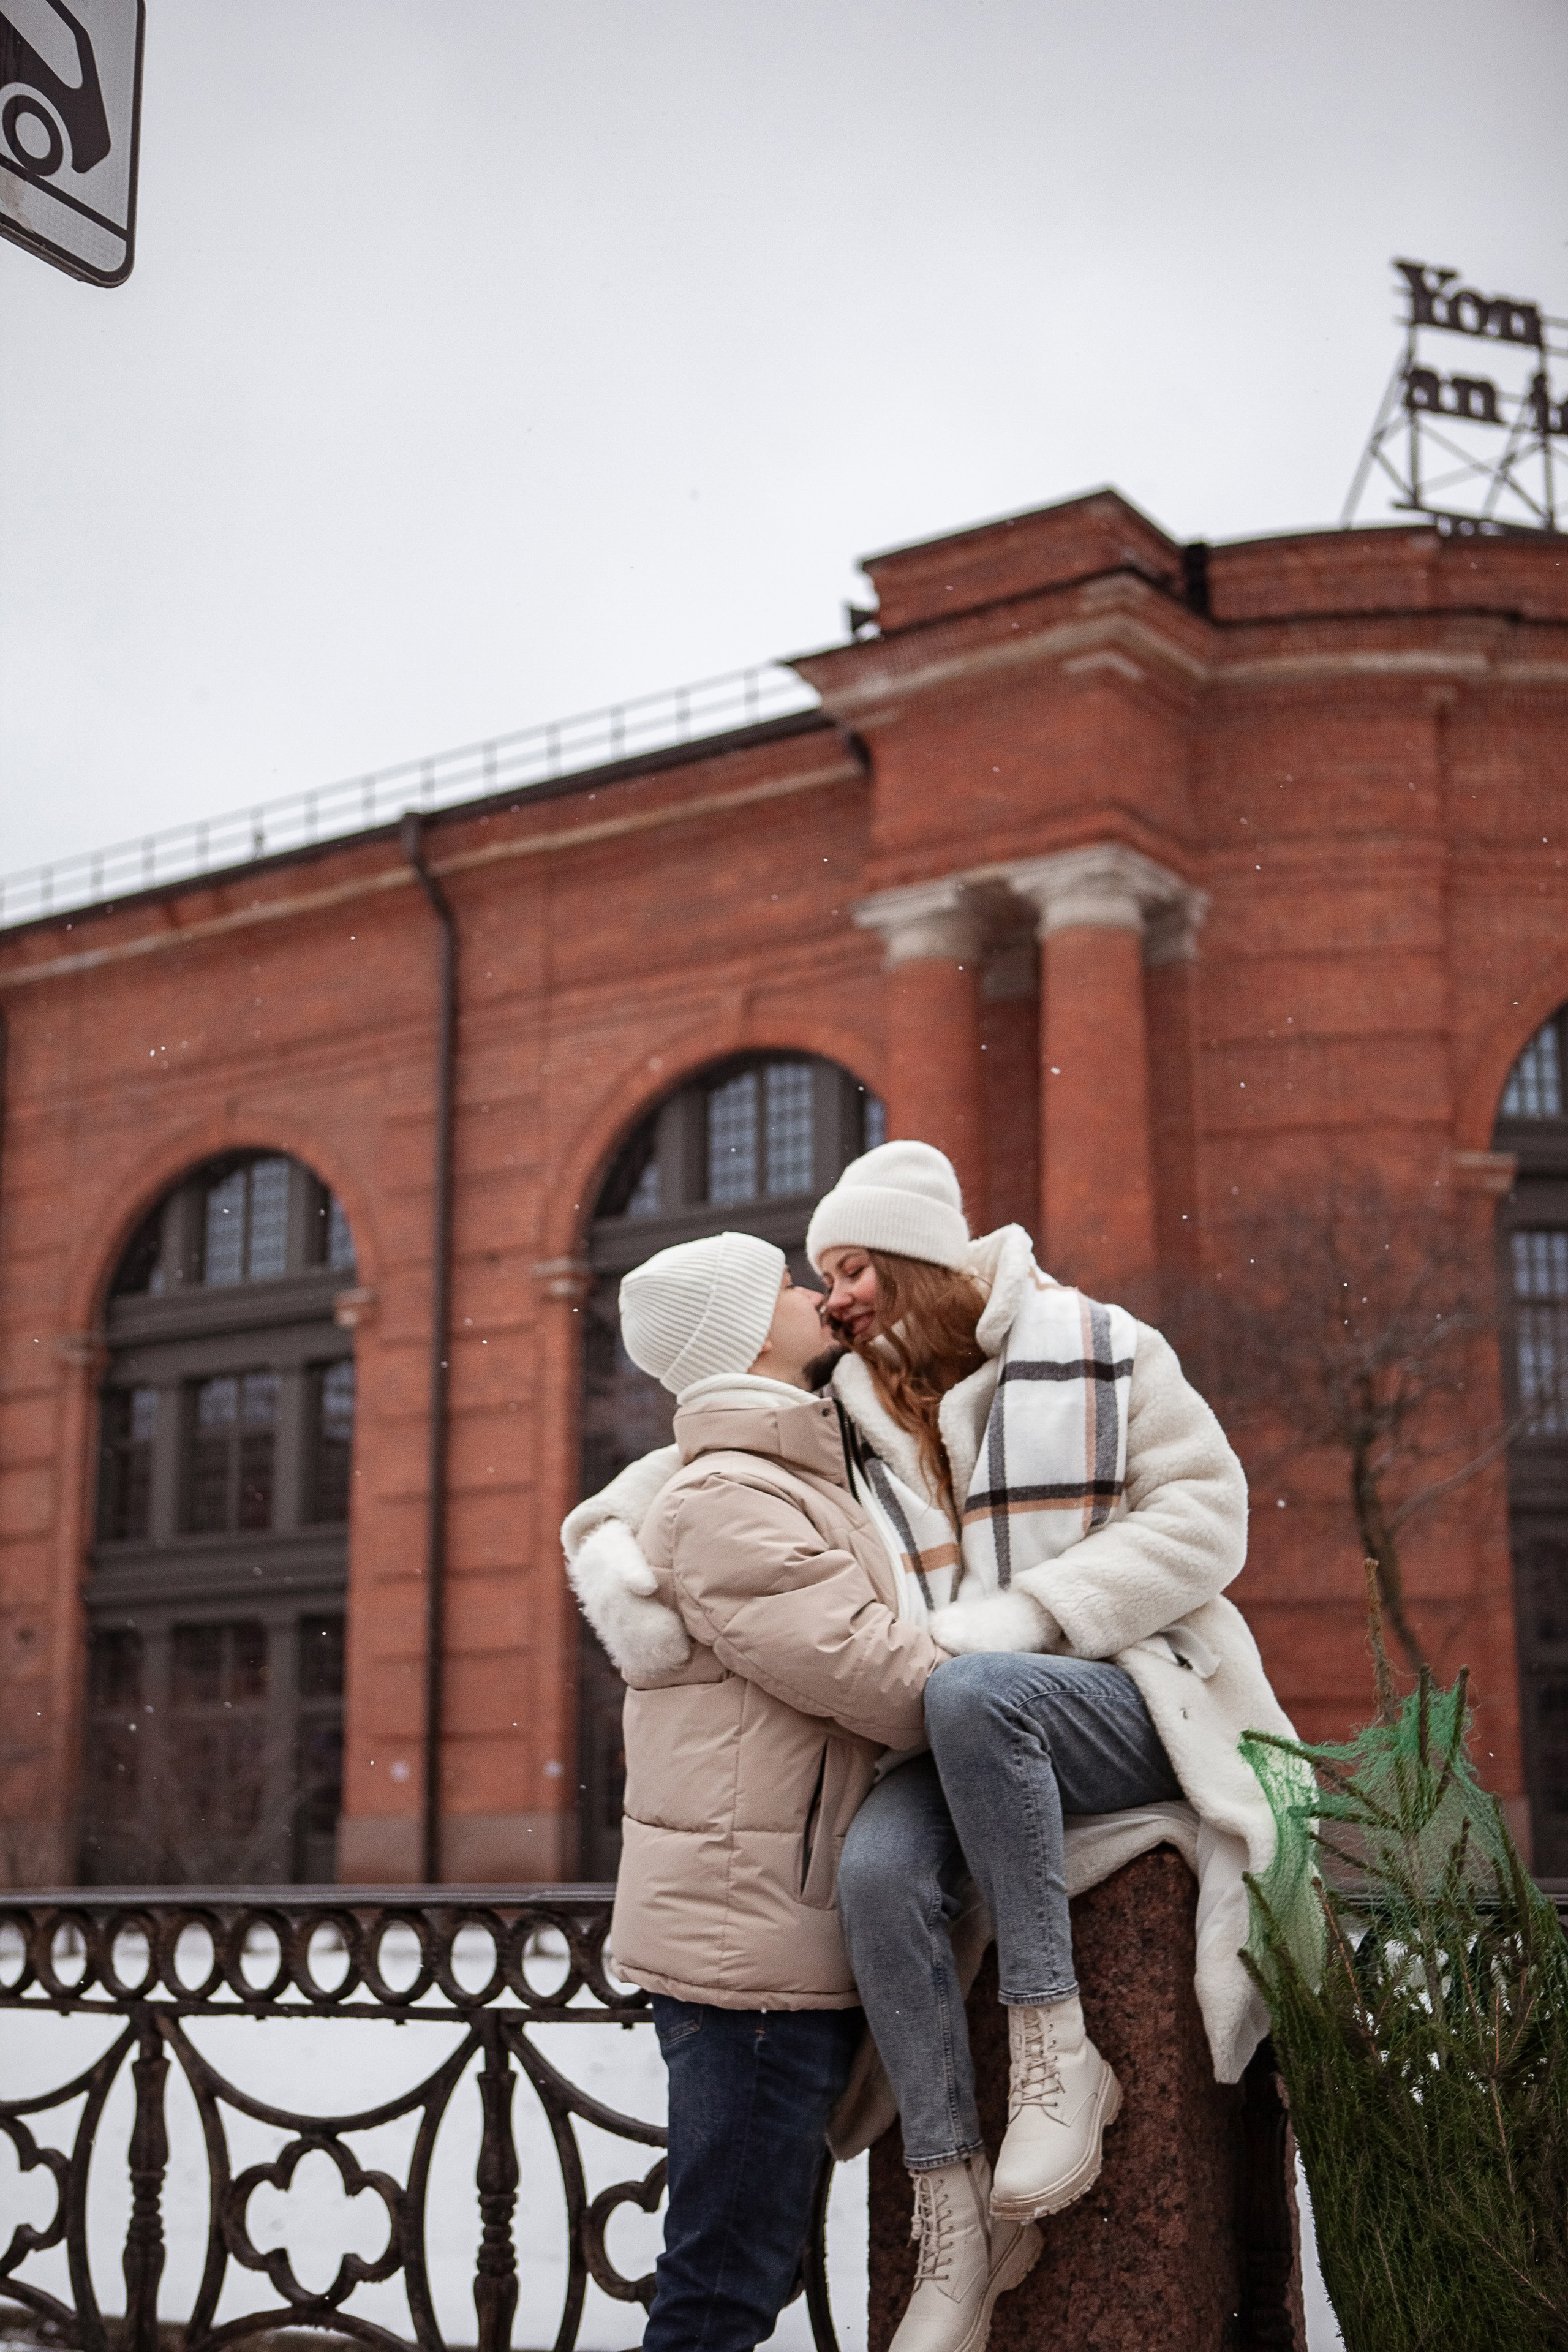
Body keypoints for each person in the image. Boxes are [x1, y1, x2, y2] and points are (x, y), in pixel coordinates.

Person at [570, 1144, 1300, 2352]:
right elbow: (705, 1457)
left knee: (721, 2265)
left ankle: (1053, 2043)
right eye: (813, 1281)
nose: (835, 1297)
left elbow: (1205, 1515)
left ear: (915, 1256)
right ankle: (955, 2207)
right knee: (876, 1871)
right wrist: (609, 1539)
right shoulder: (842, 1408)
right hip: (903, 1773)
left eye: (850, 1268)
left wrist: (1021, 1627)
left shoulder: (1098, 1347)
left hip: (1115, 1692)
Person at [561, 1228, 1042, 2352]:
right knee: (723, 2288)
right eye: (782, 1283)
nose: (810, 1294)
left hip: (768, 1942)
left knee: (746, 2270)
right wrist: (1032, 1694)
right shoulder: (728, 1499)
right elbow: (879, 1676)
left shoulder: (782, 1474)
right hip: (752, 1969)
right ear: (738, 1331)